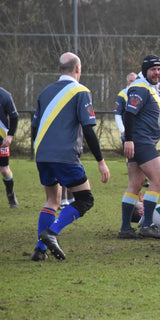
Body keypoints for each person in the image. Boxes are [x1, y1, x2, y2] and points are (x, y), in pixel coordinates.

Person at [31, 52, 110, 261]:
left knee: (52, 200)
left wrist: (37, 152)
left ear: (59, 70)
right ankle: (52, 232)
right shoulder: (81, 91)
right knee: (85, 199)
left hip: (42, 154)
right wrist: (101, 161)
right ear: (78, 69)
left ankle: (40, 250)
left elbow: (34, 126)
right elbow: (89, 130)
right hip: (65, 156)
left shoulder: (45, 92)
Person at [117, 54, 160, 239]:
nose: (157, 72)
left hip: (140, 140)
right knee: (159, 180)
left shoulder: (148, 87)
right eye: (153, 69)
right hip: (141, 141)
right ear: (145, 70)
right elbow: (129, 114)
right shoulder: (140, 87)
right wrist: (129, 139)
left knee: (136, 184)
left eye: (159, 69)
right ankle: (147, 224)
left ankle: (125, 229)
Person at [0, 87, 19, 208]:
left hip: (1, 140)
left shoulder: (5, 95)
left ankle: (11, 195)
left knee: (4, 170)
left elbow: (14, 117)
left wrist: (10, 135)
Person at [114, 72, 137, 140]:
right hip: (127, 133)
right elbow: (117, 114)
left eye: (135, 81)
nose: (133, 83)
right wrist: (123, 131)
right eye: (131, 81)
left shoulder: (141, 93)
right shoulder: (122, 94)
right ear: (127, 82)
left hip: (139, 133)